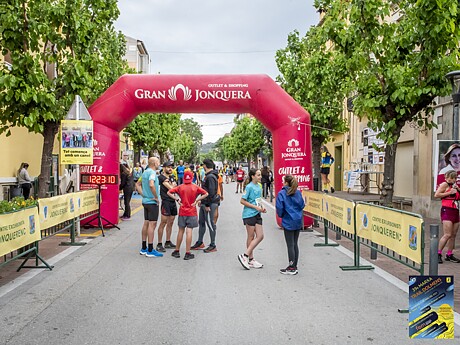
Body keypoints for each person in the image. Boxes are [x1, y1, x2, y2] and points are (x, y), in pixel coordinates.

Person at [168, 170, 208, 260]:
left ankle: (177, 250)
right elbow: (206, 193)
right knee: (189, 231)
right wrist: (197, 200)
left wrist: (177, 200)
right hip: (192, 212)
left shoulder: (180, 187)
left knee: (180, 231)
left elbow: (169, 192)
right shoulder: (195, 187)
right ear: (192, 177)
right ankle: (187, 252)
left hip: (182, 211)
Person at [276, 175, 305, 275]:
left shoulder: (282, 193)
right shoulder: (297, 192)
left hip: (288, 220)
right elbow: (302, 205)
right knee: (295, 243)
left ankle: (291, 266)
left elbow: (279, 208)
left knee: (290, 244)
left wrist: (282, 215)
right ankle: (295, 265)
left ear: (286, 182)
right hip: (297, 220)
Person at [237, 168, 266, 270]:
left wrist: (261, 208)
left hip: (257, 213)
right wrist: (255, 207)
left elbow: (258, 200)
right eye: (258, 175)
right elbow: (242, 201)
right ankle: (249, 258)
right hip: (249, 214)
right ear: (253, 176)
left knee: (260, 236)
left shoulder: (259, 186)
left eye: (260, 175)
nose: (260, 177)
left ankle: (246, 256)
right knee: (251, 236)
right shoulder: (249, 187)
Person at [136, 157, 163, 258]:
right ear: (155, 163)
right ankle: (150, 249)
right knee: (152, 224)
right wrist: (155, 197)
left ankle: (144, 247)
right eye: (158, 161)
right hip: (152, 202)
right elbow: (151, 184)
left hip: (145, 201)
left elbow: (137, 184)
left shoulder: (145, 172)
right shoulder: (152, 173)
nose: (159, 163)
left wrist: (143, 194)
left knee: (146, 223)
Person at [191, 159, 220, 252]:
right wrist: (202, 200)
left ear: (205, 166)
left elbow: (210, 192)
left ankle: (213, 244)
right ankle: (200, 242)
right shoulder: (209, 176)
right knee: (202, 222)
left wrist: (206, 204)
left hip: (210, 203)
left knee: (210, 223)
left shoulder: (210, 177)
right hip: (206, 202)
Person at [435, 169, 460, 263]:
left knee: (453, 235)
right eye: (449, 178)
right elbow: (437, 195)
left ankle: (449, 254)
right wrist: (449, 192)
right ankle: (438, 253)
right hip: (447, 210)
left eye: (453, 178)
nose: (451, 180)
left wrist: (457, 189)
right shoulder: (444, 185)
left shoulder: (455, 186)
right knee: (447, 234)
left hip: (456, 211)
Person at [156, 161, 177, 252]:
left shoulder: (172, 177)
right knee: (163, 222)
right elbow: (172, 188)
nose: (170, 169)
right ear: (164, 168)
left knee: (171, 222)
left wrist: (173, 186)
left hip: (173, 201)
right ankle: (159, 243)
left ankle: (168, 241)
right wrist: (173, 186)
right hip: (166, 202)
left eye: (171, 167)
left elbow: (175, 188)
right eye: (168, 167)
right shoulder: (161, 177)